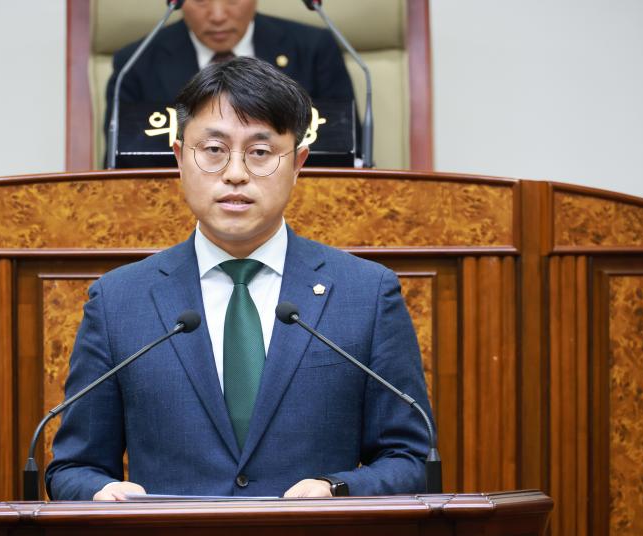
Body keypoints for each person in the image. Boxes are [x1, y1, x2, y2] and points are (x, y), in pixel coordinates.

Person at [47, 57, 432, 501]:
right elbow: (74, 467)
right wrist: (102, 493)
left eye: (260, 152)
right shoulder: (118, 301)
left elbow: (410, 459)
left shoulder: (365, 294)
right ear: (179, 158)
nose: (235, 173)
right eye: (213, 150)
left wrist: (337, 489)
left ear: (298, 163)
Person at [103, 0, 356, 155]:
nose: (218, 15)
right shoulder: (135, 62)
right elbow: (118, 162)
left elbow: (349, 147)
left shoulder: (314, 49)